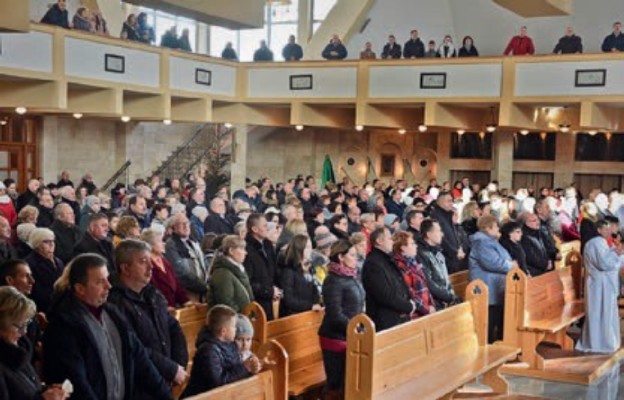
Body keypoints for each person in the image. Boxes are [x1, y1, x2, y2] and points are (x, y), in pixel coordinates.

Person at [42, 254, 173, 399]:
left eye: (107, 279)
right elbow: (76, 382)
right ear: (80, 288)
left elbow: (140, 359)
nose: (108, 286)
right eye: (100, 282)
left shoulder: (113, 314)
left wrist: (166, 396)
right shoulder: (63, 325)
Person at [108, 240, 189, 392]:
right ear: (125, 268)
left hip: (165, 379)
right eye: (143, 262)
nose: (151, 267)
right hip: (140, 385)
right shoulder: (114, 302)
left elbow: (173, 327)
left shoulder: (152, 293)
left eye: (150, 261)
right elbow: (133, 347)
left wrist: (178, 366)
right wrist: (170, 369)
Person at [0, 286, 70, 400]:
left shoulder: (18, 349)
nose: (24, 332)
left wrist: (47, 390)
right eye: (19, 326)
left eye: (26, 324)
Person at [181, 305, 261, 396]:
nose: (236, 330)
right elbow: (218, 383)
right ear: (224, 331)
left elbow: (235, 369)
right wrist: (245, 368)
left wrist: (252, 368)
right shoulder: (208, 351)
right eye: (234, 327)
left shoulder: (230, 344)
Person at [318, 240, 364, 397]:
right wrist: (356, 329)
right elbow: (334, 314)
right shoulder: (332, 280)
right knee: (336, 385)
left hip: (351, 334)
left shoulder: (351, 276)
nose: (356, 258)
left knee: (351, 381)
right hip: (335, 337)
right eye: (352, 255)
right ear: (340, 257)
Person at [576, 220, 624, 353]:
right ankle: (599, 343)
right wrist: (617, 254)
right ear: (598, 230)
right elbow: (604, 264)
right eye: (606, 229)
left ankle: (607, 340)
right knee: (599, 313)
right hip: (599, 285)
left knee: (605, 313)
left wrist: (615, 251)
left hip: (603, 284)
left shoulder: (600, 242)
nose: (609, 232)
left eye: (610, 229)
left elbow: (607, 257)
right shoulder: (596, 243)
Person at [469, 215, 515, 343]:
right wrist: (510, 265)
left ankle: (498, 348)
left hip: (496, 289)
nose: (498, 229)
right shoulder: (482, 243)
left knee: (498, 321)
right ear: (488, 228)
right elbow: (492, 263)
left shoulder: (491, 241)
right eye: (496, 226)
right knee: (488, 325)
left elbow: (505, 257)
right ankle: (487, 351)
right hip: (487, 290)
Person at [362, 227, 415, 331]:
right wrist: (408, 306)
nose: (392, 241)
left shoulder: (386, 259)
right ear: (379, 241)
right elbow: (385, 295)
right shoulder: (372, 263)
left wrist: (411, 300)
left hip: (399, 316)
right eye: (389, 238)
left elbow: (401, 282)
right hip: (387, 321)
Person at [244, 214, 280, 320]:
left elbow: (274, 270)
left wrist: (277, 289)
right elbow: (248, 281)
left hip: (273, 298)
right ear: (255, 229)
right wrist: (268, 291)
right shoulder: (246, 249)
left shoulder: (268, 245)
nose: (267, 228)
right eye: (264, 226)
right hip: (258, 302)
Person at [164, 213, 208, 302]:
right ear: (173, 228)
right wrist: (202, 286)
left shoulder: (194, 241)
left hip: (202, 287)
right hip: (189, 291)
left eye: (187, 223)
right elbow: (181, 272)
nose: (186, 226)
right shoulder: (171, 245)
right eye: (181, 224)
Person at [141, 228, 189, 308]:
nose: (164, 244)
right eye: (160, 241)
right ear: (150, 245)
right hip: (158, 309)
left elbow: (176, 284)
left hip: (173, 308)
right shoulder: (146, 265)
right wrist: (163, 307)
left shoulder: (164, 261)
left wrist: (186, 301)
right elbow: (150, 291)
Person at [392, 231, 435, 318]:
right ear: (403, 248)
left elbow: (425, 284)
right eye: (412, 244)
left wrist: (432, 304)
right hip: (416, 314)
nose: (416, 246)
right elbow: (410, 293)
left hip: (427, 309)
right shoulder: (400, 266)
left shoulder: (413, 262)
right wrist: (426, 309)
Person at [279, 234, 321, 317]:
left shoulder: (310, 268)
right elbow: (289, 300)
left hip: (310, 313)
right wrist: (310, 306)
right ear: (299, 249)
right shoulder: (289, 271)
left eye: (311, 247)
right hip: (294, 315)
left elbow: (314, 289)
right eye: (308, 247)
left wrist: (317, 302)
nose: (311, 250)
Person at [210, 236, 254, 312]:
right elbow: (226, 303)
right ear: (231, 251)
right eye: (242, 249)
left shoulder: (238, 268)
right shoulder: (222, 273)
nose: (246, 253)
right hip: (232, 320)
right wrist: (243, 314)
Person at [25, 228, 64, 313]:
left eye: (52, 241)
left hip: (61, 303)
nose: (51, 244)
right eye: (46, 241)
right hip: (44, 307)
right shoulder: (30, 263)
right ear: (37, 244)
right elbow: (36, 292)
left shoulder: (59, 261)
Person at [429, 192, 467, 273]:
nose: (451, 203)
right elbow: (441, 239)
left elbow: (454, 233)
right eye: (448, 201)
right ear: (439, 202)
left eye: (451, 201)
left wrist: (459, 247)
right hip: (446, 258)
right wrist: (455, 252)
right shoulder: (435, 216)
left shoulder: (449, 215)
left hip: (455, 256)